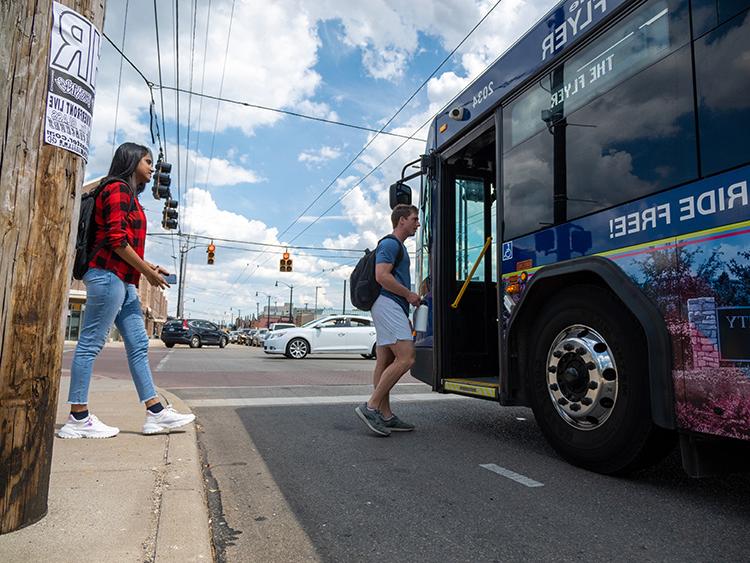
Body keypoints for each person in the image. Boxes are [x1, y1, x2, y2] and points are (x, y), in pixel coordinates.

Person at [58, 142, 195, 439]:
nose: (152, 167)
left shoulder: (129, 195)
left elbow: (124, 243)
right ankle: (77, 417)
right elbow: (117, 241)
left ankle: (155, 413)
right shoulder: (116, 189)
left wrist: (148, 267)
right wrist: (147, 272)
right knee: (90, 344)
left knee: (138, 345)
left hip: (124, 281)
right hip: (108, 276)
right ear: (132, 161)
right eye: (148, 161)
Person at [355, 204, 421, 436]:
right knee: (407, 358)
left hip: (391, 305)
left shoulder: (397, 246)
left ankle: (386, 416)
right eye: (414, 219)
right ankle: (371, 407)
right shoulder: (390, 244)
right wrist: (409, 294)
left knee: (384, 362)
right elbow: (381, 276)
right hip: (388, 303)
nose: (417, 223)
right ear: (401, 220)